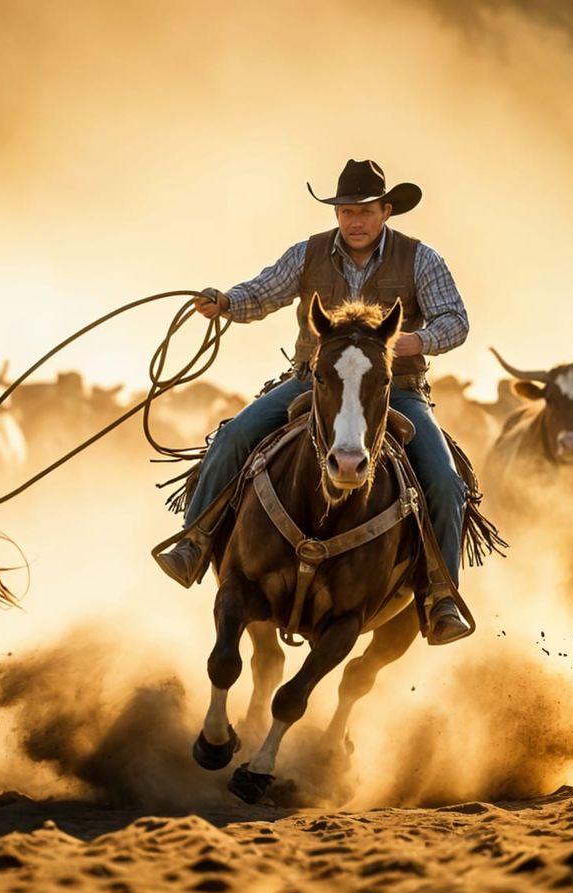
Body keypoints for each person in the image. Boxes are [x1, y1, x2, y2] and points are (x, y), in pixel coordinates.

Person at [155, 159, 472, 644]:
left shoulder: (420, 259)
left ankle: (440, 594)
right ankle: (195, 541)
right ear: (338, 213)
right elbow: (264, 291)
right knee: (235, 435)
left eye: (365, 211)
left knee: (447, 482)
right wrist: (226, 301)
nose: (355, 221)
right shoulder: (310, 254)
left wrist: (418, 341)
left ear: (386, 211)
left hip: (394, 391)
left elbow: (456, 320)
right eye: (346, 211)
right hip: (313, 381)